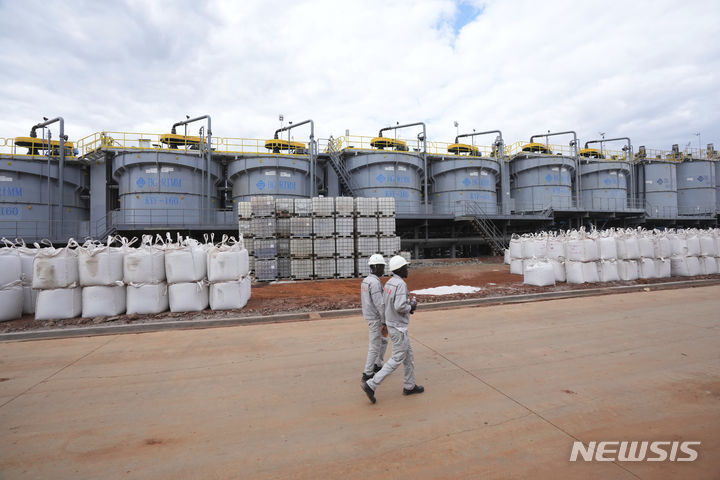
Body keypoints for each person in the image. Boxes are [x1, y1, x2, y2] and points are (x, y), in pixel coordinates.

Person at [362, 255, 423, 403]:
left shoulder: (389, 283)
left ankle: (409, 386)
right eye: (406, 267)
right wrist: (411, 306)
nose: (407, 269)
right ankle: (371, 384)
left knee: (409, 356)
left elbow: (388, 303)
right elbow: (399, 306)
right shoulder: (400, 284)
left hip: (393, 325)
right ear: (400, 269)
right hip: (398, 327)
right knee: (396, 358)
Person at [360, 254, 389, 382]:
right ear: (376, 266)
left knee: (383, 341)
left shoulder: (366, 280)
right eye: (382, 267)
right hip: (376, 318)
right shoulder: (375, 283)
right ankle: (367, 372)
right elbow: (380, 304)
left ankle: (378, 364)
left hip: (369, 315)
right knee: (374, 345)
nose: (384, 270)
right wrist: (384, 321)